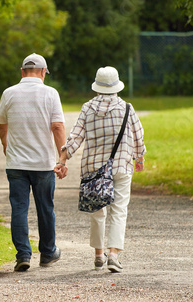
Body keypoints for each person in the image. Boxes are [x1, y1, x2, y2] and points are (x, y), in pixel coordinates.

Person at [54, 66, 146, 273]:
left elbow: (75, 137)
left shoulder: (87, 108)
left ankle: (98, 254)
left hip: (93, 168)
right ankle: (113, 254)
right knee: (119, 209)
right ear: (117, 86)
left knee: (97, 210)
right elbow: (138, 135)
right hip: (121, 165)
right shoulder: (127, 108)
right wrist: (139, 157)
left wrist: (62, 160)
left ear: (97, 86)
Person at [0, 53, 66, 272]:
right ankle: (47, 253)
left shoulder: (9, 93)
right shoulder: (50, 93)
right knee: (45, 208)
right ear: (44, 72)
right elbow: (57, 127)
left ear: (22, 71)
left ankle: (23, 255)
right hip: (43, 164)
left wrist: (7, 146)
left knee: (19, 208)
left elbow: (2, 124)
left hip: (16, 164)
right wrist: (62, 158)